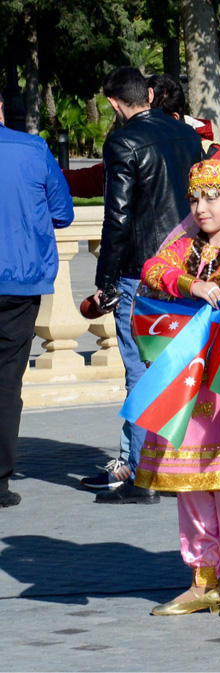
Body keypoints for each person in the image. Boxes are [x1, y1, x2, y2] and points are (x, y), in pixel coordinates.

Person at [135, 159, 220, 618]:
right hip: (189, 382)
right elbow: (152, 268)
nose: (202, 207)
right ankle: (202, 577)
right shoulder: (186, 248)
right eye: (195, 198)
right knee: (190, 482)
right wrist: (191, 283)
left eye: (213, 197)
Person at [85, 67, 203, 504]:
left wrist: (105, 280)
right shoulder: (187, 135)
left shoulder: (122, 141)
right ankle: (180, 464)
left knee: (141, 369)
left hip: (141, 267)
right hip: (186, 266)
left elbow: (117, 217)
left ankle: (145, 471)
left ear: (116, 104)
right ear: (149, 94)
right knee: (183, 367)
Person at [0, 116, 73, 508]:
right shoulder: (32, 149)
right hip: (19, 281)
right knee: (7, 383)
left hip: (19, 278)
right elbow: (63, 212)